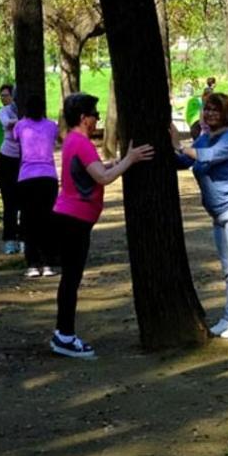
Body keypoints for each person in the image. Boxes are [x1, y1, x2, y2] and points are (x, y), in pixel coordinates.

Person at [51, 93, 154, 359]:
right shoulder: (81, 142)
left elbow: (92, 170)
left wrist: (117, 162)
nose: (97, 119)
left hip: (71, 218)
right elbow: (103, 177)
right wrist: (129, 159)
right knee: (71, 280)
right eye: (95, 115)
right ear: (84, 118)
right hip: (73, 219)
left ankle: (63, 333)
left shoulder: (73, 141)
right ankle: (64, 335)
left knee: (70, 279)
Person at [171, 93, 228, 339]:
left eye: (215, 110)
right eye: (207, 109)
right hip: (219, 213)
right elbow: (182, 161)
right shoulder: (205, 138)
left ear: (226, 113)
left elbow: (207, 157)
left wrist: (179, 143)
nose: (209, 114)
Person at [10, 95, 61, 278]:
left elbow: (15, 138)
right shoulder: (51, 126)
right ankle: (48, 263)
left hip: (27, 177)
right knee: (48, 219)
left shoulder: (21, 125)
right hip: (48, 177)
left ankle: (32, 263)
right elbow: (56, 138)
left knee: (29, 220)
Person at [0, 84, 22, 254]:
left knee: (24, 200)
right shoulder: (4, 111)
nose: (4, 98)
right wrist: (23, 120)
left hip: (24, 158)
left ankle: (25, 237)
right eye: (2, 95)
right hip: (7, 158)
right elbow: (6, 123)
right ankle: (10, 239)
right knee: (9, 201)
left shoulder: (23, 109)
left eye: (7, 95)